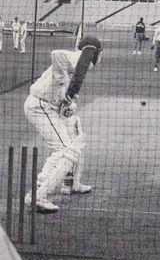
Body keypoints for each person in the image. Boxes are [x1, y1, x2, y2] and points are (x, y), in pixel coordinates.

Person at [23, 35, 102, 213]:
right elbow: (56, 53)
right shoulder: (76, 58)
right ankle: (38, 195)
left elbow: (65, 97)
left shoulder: (84, 65)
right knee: (65, 150)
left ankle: (72, 183)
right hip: (40, 106)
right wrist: (63, 85)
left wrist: (70, 104)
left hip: (50, 106)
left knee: (77, 136)